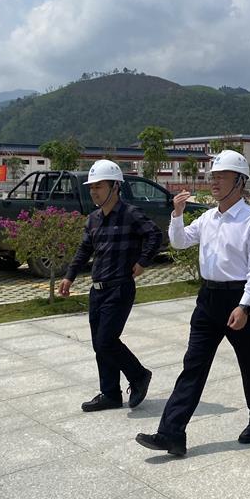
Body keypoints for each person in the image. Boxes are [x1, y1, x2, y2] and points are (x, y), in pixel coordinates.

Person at [136, 150, 250, 457]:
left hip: (239, 300)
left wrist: (245, 305)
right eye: (213, 177)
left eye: (222, 177)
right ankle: (171, 434)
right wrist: (177, 214)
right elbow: (180, 241)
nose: (215, 182)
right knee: (193, 366)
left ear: (240, 181)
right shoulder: (209, 217)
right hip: (208, 299)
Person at [58, 159, 162, 412]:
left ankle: (139, 375)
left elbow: (154, 234)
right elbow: (84, 249)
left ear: (115, 186)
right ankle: (110, 394)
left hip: (120, 288)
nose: (94, 192)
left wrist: (142, 261)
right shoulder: (93, 219)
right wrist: (69, 276)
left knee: (106, 341)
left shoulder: (130, 213)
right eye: (91, 187)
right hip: (98, 290)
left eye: (99, 186)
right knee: (99, 344)